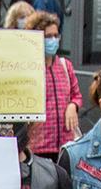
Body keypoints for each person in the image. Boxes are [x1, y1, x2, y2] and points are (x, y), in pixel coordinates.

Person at [29, 10, 80, 157]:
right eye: (48, 36)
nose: (53, 40)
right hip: (39, 146)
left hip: (66, 145)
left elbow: (76, 94)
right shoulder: (30, 69)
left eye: (55, 36)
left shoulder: (65, 65)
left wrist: (73, 105)